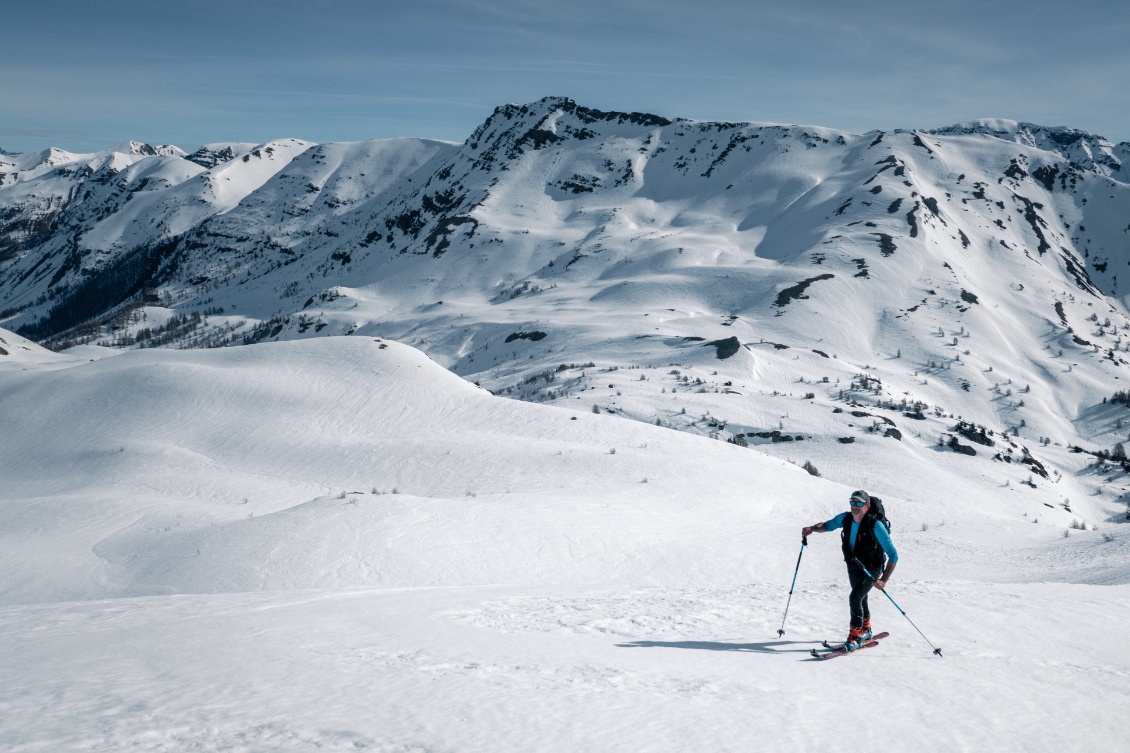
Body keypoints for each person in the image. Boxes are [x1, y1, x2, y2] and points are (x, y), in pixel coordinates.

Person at [801, 490, 898, 650]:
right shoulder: (845, 518)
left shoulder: (875, 525)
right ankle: (866, 629)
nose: (855, 506)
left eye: (859, 503)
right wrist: (811, 529)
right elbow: (827, 525)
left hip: (873, 567)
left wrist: (883, 579)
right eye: (852, 502)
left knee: (855, 597)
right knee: (860, 597)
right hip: (854, 566)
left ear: (867, 505)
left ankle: (855, 637)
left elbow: (893, 555)